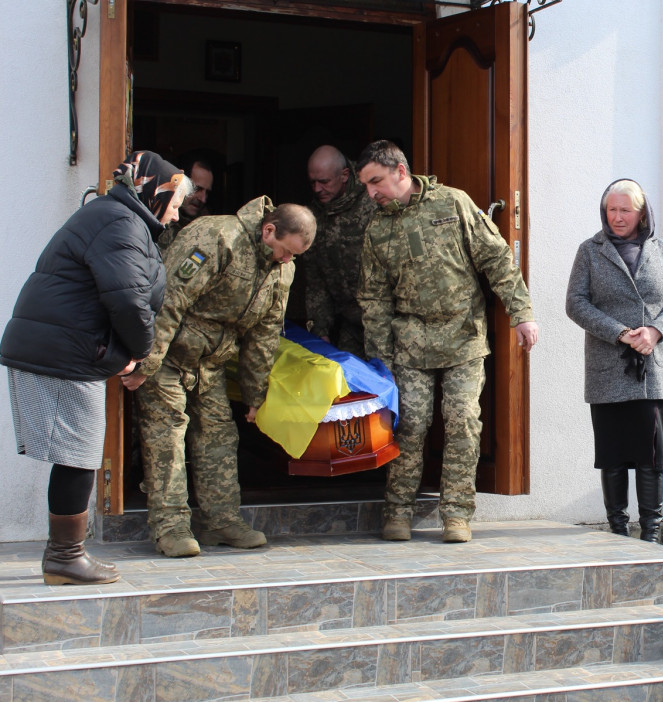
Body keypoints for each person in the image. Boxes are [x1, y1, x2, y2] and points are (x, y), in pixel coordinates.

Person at [1, 151, 187, 583]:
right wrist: (138, 352)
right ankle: (65, 557)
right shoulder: (119, 222)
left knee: (78, 454)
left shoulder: (119, 218)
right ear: (153, 192)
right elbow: (126, 297)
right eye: (174, 203)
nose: (175, 215)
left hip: (66, 347)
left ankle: (65, 555)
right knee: (78, 455)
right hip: (63, 352)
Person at [357, 140, 538, 544]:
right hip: (409, 344)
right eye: (366, 185)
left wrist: (521, 313)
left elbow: (496, 259)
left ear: (400, 172)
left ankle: (456, 515)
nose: (371, 193)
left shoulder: (454, 203)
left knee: (462, 423)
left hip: (463, 339)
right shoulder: (376, 229)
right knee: (410, 426)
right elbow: (374, 298)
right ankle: (398, 511)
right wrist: (379, 358)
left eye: (376, 182)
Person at [122, 198, 316, 558]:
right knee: (167, 438)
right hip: (169, 358)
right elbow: (168, 300)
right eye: (284, 251)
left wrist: (255, 393)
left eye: (294, 257)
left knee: (219, 437)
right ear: (268, 230)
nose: (287, 261)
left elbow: (265, 332)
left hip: (210, 364)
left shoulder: (281, 270)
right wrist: (146, 363)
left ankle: (220, 522)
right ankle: (172, 528)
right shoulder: (216, 236)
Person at [566, 179, 663, 542]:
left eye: (625, 210)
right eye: (611, 210)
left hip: (651, 369)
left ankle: (651, 534)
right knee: (613, 455)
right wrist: (619, 332)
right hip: (608, 367)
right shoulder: (590, 251)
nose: (617, 217)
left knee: (651, 457)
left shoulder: (662, 250)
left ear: (641, 212)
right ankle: (617, 532)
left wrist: (654, 332)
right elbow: (576, 303)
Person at [304, 145, 376, 357]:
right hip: (348, 321)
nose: (317, 189)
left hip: (382, 323)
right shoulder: (315, 214)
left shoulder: (373, 200)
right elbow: (315, 277)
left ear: (344, 175)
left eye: (324, 182)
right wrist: (320, 329)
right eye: (312, 183)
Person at [158, 159, 214, 249]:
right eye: (197, 189)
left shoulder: (207, 231)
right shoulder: (159, 221)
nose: (203, 199)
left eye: (207, 192)